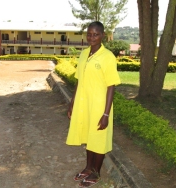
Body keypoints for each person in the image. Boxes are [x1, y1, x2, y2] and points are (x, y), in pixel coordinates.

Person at [66, 21, 121, 187]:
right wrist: (72, 103)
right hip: (84, 104)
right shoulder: (84, 54)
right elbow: (79, 80)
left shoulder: (108, 57)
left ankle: (96, 173)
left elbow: (111, 86)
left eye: (95, 34)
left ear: (102, 36)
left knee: (98, 140)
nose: (92, 37)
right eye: (89, 34)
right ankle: (88, 168)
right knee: (89, 138)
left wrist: (106, 114)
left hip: (99, 106)